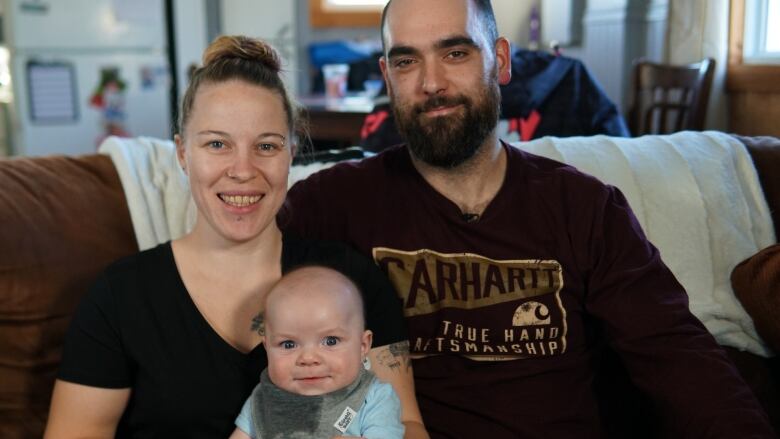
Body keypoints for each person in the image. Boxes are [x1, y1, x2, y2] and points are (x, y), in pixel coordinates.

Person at [281, 0, 776, 437]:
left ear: (499, 61)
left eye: (456, 53)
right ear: (388, 77)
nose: (431, 83)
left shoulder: (583, 208)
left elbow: (677, 357)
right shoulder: (333, 204)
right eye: (407, 61)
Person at [44, 35, 424, 438]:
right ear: (183, 154)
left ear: (291, 153)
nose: (243, 170)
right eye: (217, 144)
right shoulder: (120, 298)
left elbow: (408, 424)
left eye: (266, 145)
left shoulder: (351, 282)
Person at [230, 265, 405, 439]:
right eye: (289, 344)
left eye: (331, 341)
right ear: (267, 348)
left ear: (362, 346)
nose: (308, 358)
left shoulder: (375, 398)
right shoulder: (265, 399)